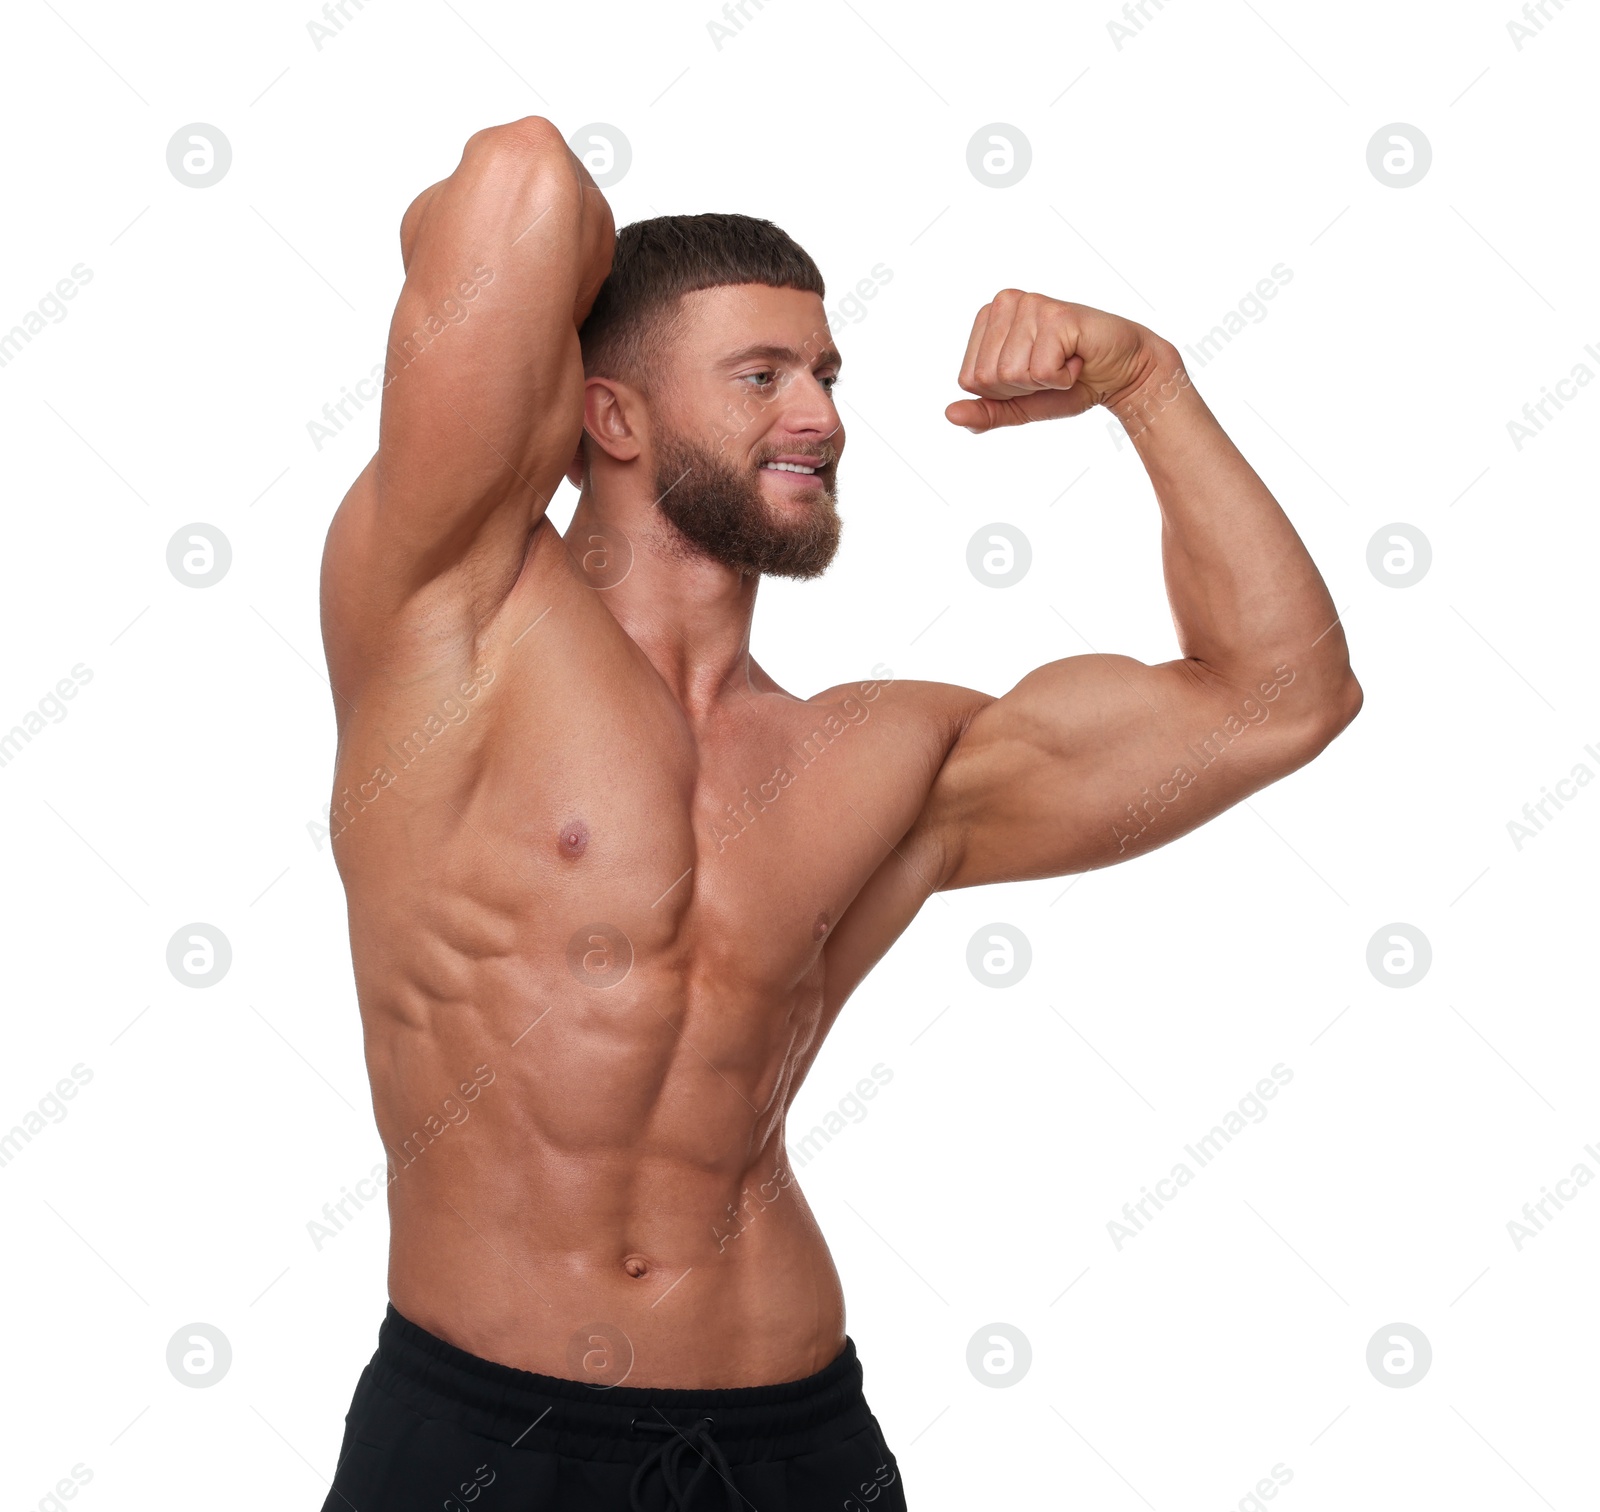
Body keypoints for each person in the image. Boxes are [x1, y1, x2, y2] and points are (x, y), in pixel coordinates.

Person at [316, 114, 1361, 1511]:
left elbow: (1285, 694)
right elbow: (520, 176)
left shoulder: (875, 755)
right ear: (609, 416)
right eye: (759, 376)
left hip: (794, 1442)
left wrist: (1145, 380)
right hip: (493, 1441)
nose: (818, 415)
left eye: (822, 372)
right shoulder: (449, 627)